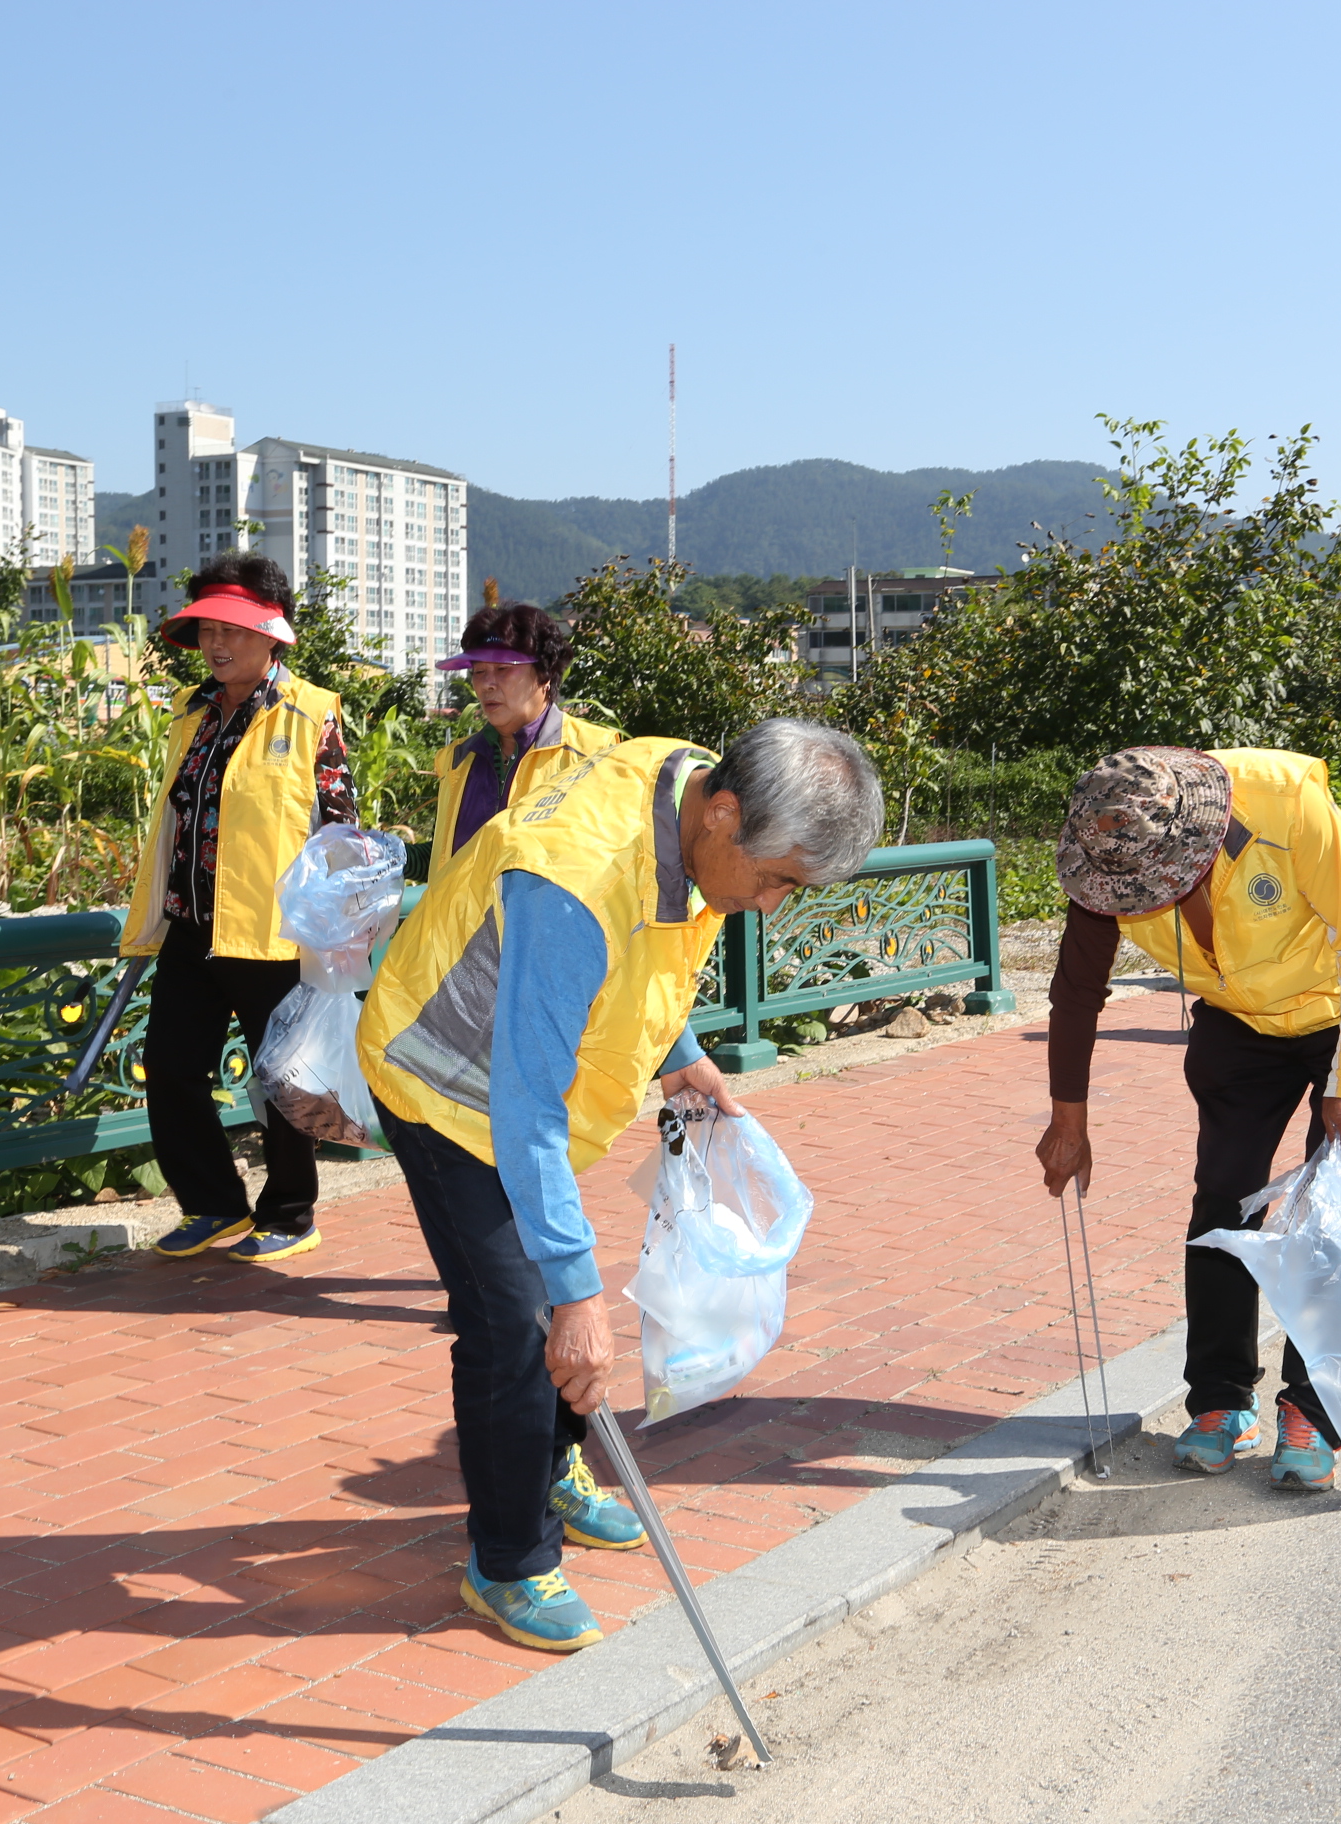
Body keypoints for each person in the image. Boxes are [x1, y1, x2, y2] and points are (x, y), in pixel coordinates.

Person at [359, 718, 883, 1651]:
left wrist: (677, 1055)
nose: (768, 906)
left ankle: (550, 1465)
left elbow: (650, 951)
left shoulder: (678, 785)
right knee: (517, 1324)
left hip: (524, 1078)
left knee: (553, 1316)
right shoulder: (574, 881)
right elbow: (525, 1114)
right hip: (446, 1082)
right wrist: (576, 1289)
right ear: (724, 815)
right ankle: (509, 1560)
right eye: (777, 880)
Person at [1035, 747, 1341, 1495]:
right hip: (1244, 1016)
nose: (1140, 895)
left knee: (1330, 1209)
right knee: (1223, 1194)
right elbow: (1077, 990)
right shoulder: (1109, 845)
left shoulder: (1286, 807)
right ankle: (1220, 1400)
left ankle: (1312, 1409)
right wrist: (1068, 1122)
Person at [118, 555, 358, 1265]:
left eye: (235, 631)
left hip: (273, 933)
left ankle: (289, 1211)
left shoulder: (313, 713)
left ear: (272, 635)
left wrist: (339, 936)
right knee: (168, 1067)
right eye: (208, 631)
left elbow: (341, 831)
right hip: (191, 925)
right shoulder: (190, 714)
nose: (218, 645)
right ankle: (213, 1205)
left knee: (284, 1076)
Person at [428, 599, 618, 869]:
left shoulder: (593, 755)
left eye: (503, 669)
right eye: (479, 671)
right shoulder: (457, 760)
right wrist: (387, 852)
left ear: (545, 674)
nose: (487, 684)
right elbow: (445, 856)